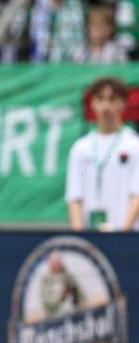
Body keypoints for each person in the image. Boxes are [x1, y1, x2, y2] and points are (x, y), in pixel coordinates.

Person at [65, 76, 139, 232]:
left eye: (112, 99)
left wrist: (123, 235)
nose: (106, 106)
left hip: (128, 238)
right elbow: (75, 196)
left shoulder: (134, 145)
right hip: (91, 240)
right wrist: (80, 236)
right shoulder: (81, 149)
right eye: (100, 99)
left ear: (124, 103)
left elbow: (136, 195)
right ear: (92, 103)